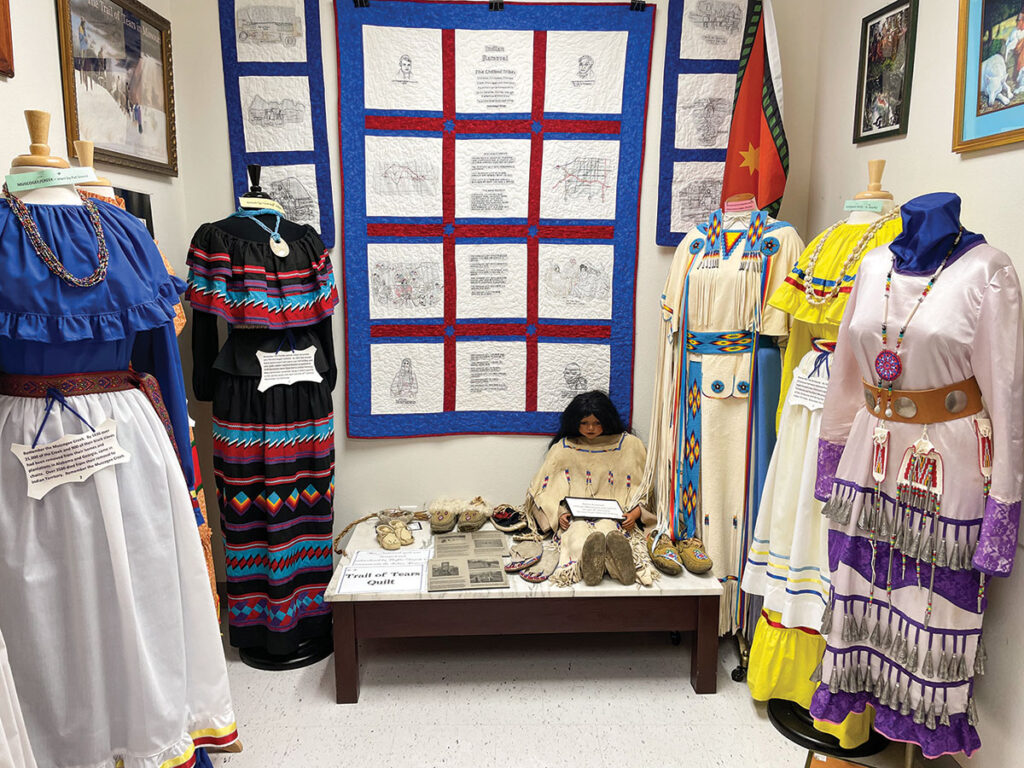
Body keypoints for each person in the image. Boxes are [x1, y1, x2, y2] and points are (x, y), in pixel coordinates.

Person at [522, 391, 653, 585]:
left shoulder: (630, 446)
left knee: (612, 534)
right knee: (578, 537)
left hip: (616, 517)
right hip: (576, 517)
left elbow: (643, 487)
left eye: (597, 422)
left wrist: (635, 514)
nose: (590, 428)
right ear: (574, 422)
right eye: (584, 423)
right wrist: (560, 514)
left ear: (607, 420)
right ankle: (590, 566)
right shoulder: (564, 448)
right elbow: (547, 491)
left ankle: (619, 567)